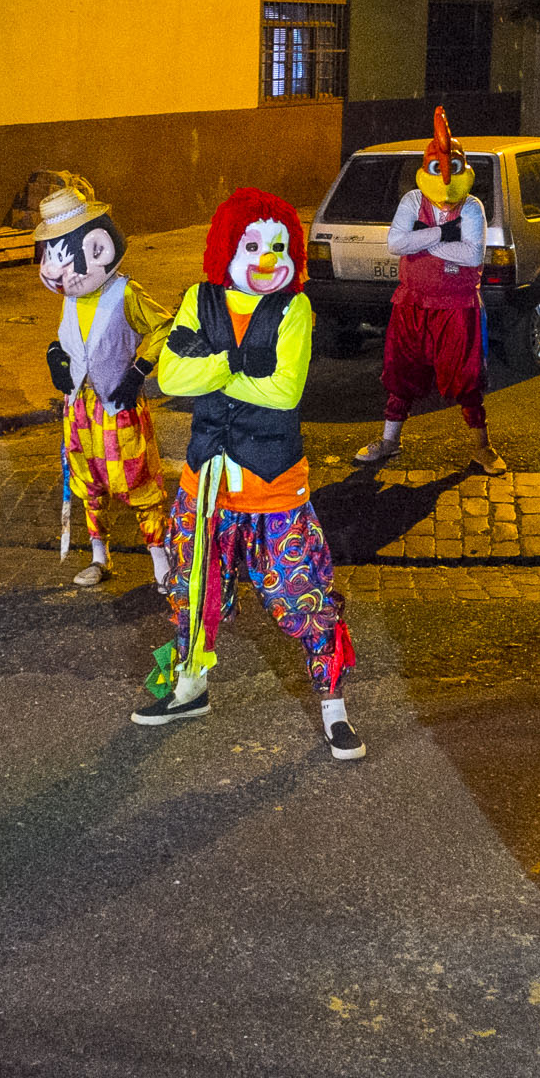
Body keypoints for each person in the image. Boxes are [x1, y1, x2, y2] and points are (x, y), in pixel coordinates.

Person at [132, 187, 364, 760]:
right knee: (192, 593)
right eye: (253, 244)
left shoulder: (296, 308)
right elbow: (169, 380)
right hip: (204, 486)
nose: (268, 258)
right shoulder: (198, 299)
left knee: (299, 596)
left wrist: (206, 368)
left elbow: (284, 392)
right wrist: (237, 362)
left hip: (274, 489)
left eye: (280, 246)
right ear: (226, 248)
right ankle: (189, 689)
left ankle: (333, 706)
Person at [34, 182, 175, 589]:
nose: (52, 272)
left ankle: (160, 562)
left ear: (98, 247)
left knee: (138, 482)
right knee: (89, 481)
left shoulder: (125, 293)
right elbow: (69, 339)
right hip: (79, 410)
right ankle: (100, 557)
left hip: (118, 406)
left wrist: (139, 370)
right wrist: (56, 355)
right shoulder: (70, 298)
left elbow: (166, 326)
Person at [355, 107, 505, 475]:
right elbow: (395, 243)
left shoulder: (472, 208)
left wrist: (420, 241)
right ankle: (390, 441)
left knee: (466, 377)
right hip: (411, 303)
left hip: (457, 306)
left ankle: (482, 447)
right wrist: (441, 234)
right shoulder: (411, 202)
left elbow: (471, 255)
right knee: (401, 371)